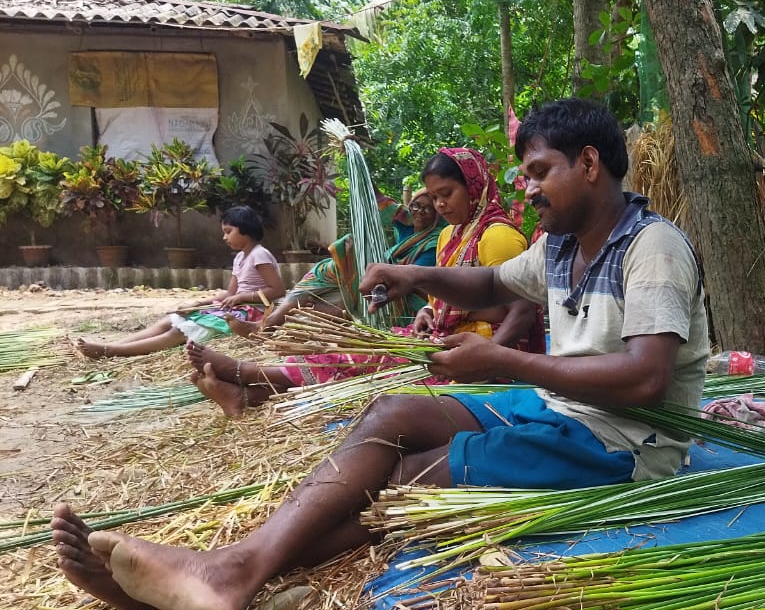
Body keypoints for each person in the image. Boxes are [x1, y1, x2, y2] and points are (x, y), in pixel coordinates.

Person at [51, 98, 709, 610]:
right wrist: (410, 272)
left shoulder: (652, 249)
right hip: (561, 410)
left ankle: (224, 575)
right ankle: (223, 574)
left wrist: (502, 360)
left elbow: (645, 378)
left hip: (627, 444)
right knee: (391, 411)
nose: (527, 187)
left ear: (589, 164)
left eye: (539, 171)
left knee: (401, 480)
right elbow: (485, 285)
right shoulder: (564, 247)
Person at [186, 147, 540, 417]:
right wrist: (427, 314)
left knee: (385, 374)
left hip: (487, 348)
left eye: (447, 193)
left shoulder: (498, 236)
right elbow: (445, 296)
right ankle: (248, 394)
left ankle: (247, 373)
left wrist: (492, 362)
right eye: (434, 197)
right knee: (362, 349)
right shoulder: (451, 234)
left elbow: (522, 312)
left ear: (474, 185)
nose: (440, 204)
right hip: (446, 338)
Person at [75, 206, 285, 359]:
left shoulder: (260, 255)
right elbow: (229, 294)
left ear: (245, 230)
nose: (224, 237)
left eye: (228, 231)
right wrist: (198, 304)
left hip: (252, 313)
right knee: (171, 319)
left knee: (180, 331)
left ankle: (111, 352)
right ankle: (111, 345)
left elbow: (277, 290)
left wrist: (242, 297)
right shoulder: (240, 257)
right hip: (237, 307)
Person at [248, 185, 445, 335]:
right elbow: (378, 198)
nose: (419, 211)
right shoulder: (406, 225)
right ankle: (271, 323)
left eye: (428, 209)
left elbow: (410, 278)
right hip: (378, 289)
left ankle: (271, 325)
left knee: (341, 284)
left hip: (403, 303)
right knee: (330, 278)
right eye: (416, 205)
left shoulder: (435, 241)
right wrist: (355, 153)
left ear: (437, 215)